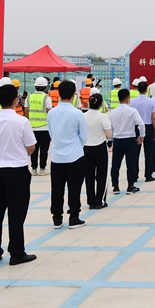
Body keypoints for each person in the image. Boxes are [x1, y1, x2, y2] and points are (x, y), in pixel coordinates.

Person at [0, 84, 37, 266]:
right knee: (16, 213)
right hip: (16, 171)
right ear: (16, 100)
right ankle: (16, 252)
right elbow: (30, 147)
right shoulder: (21, 121)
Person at [46, 80, 88, 229]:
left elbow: (51, 133)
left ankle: (57, 218)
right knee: (74, 188)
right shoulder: (77, 113)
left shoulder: (51, 113)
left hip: (57, 157)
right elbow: (83, 136)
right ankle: (74, 217)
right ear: (74, 95)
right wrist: (76, 147)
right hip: (75, 156)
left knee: (57, 188)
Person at [109, 89, 145, 195]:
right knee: (131, 164)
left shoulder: (112, 112)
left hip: (118, 141)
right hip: (130, 140)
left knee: (115, 165)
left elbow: (110, 127)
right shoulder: (132, 111)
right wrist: (141, 135)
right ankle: (130, 186)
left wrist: (110, 139)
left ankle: (115, 186)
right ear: (128, 99)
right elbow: (141, 124)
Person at [82, 94, 112, 209]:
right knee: (102, 174)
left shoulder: (83, 116)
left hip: (86, 147)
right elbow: (109, 135)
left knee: (88, 176)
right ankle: (100, 201)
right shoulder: (103, 116)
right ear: (100, 105)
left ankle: (90, 201)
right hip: (100, 147)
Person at [130, 81, 155, 182]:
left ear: (137, 89)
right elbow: (154, 117)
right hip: (148, 127)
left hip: (136, 128)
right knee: (148, 152)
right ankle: (148, 174)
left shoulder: (132, 101)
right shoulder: (151, 101)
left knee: (135, 152)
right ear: (147, 90)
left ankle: (134, 175)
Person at [26, 77, 53, 176]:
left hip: (32, 127)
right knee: (44, 149)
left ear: (35, 86)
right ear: (45, 87)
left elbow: (26, 112)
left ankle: (33, 169)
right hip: (44, 128)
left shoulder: (29, 97)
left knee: (34, 149)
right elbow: (49, 113)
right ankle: (42, 169)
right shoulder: (47, 98)